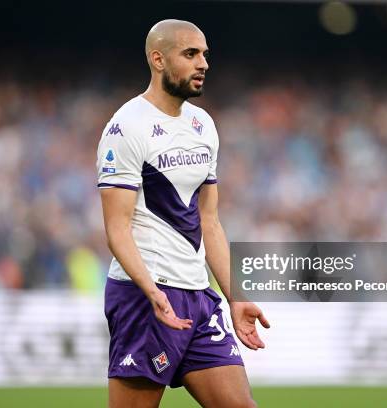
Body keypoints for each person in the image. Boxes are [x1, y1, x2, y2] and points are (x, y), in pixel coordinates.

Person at [97, 19, 270, 408]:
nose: (203, 63)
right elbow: (116, 228)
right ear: (158, 59)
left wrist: (235, 297)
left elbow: (209, 220)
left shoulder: (202, 125)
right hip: (146, 297)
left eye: (205, 54)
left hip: (197, 295)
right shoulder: (126, 127)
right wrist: (151, 291)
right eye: (190, 54)